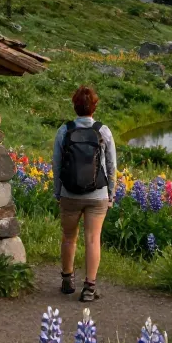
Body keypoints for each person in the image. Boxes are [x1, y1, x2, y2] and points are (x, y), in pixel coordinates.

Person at [52, 85, 117, 302]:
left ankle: (67, 280)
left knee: (69, 237)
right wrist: (111, 193)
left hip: (69, 193)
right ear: (94, 107)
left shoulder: (64, 130)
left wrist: (58, 191)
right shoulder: (103, 131)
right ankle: (89, 288)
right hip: (98, 194)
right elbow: (111, 166)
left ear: (75, 106)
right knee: (93, 238)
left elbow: (57, 164)